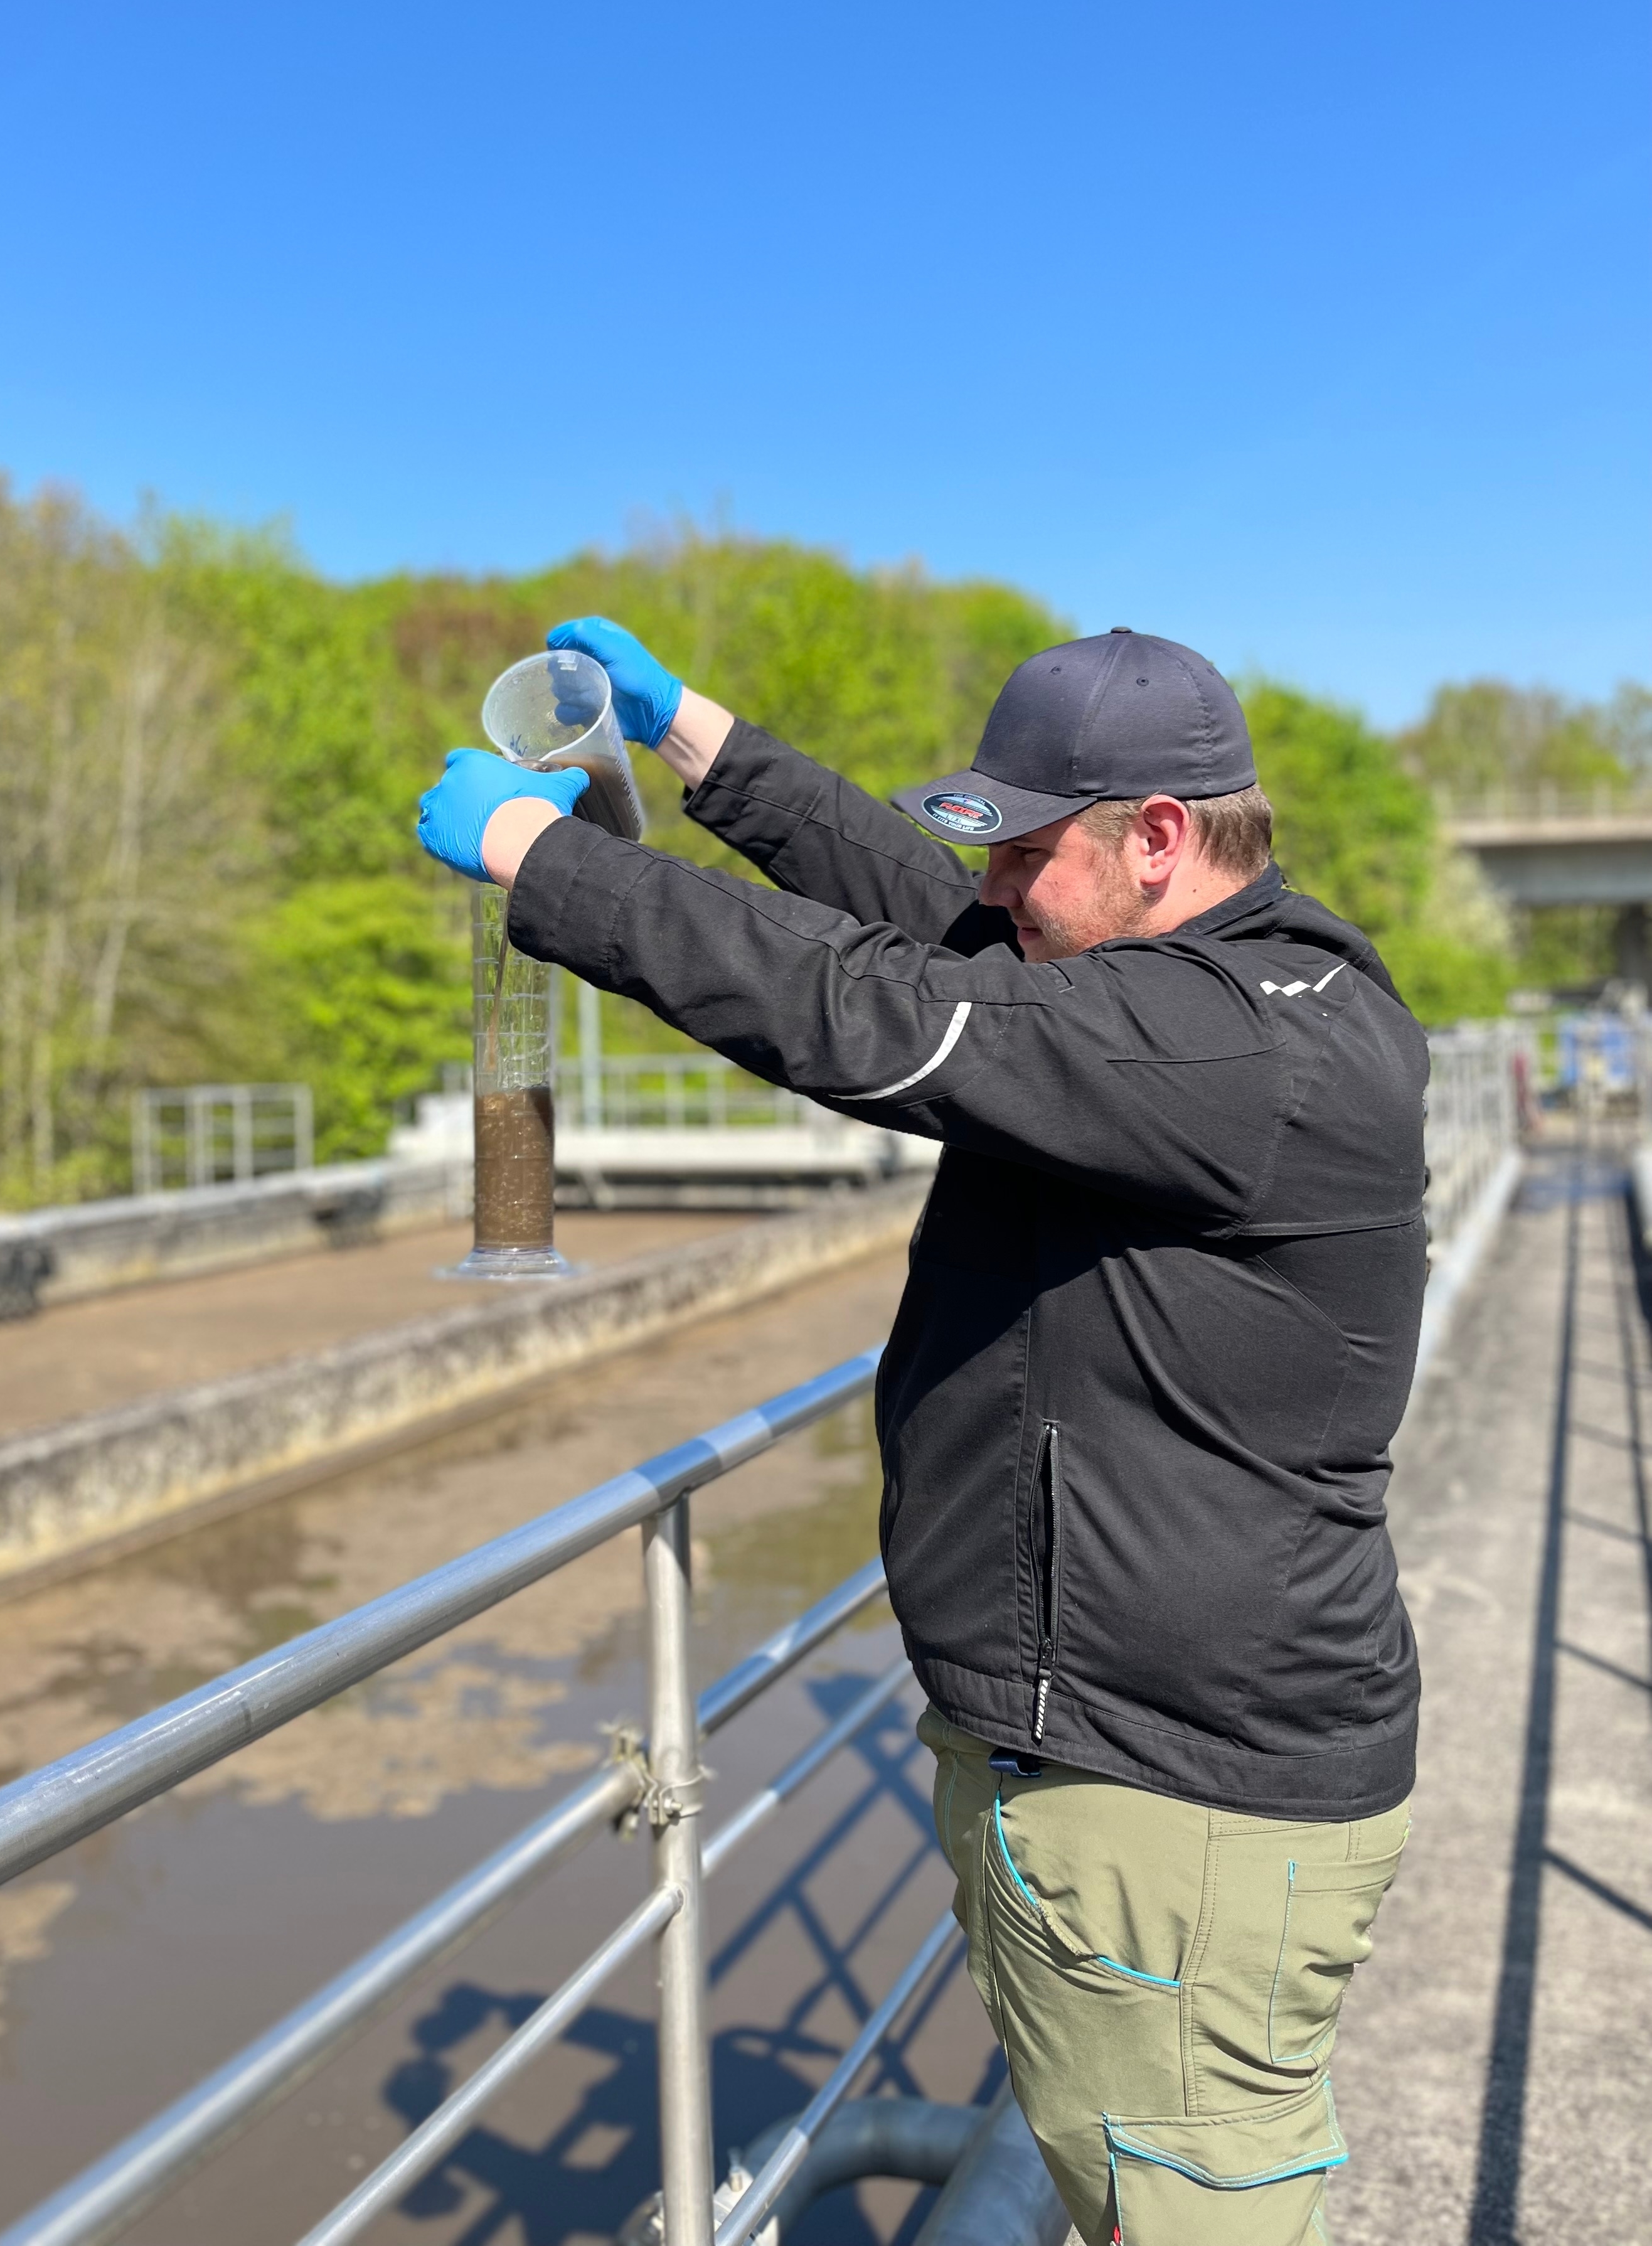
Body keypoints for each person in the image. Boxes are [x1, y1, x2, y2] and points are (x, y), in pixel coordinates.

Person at [417, 619, 1427, 2246]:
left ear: (1158, 841)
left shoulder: (1237, 1048)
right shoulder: (1170, 979)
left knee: (1199, 2213)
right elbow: (921, 909)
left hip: (1172, 1805)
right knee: (1137, 2192)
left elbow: (872, 1011)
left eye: (1030, 850)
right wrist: (705, 752)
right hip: (1131, 1766)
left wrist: (548, 865)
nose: (1001, 887)